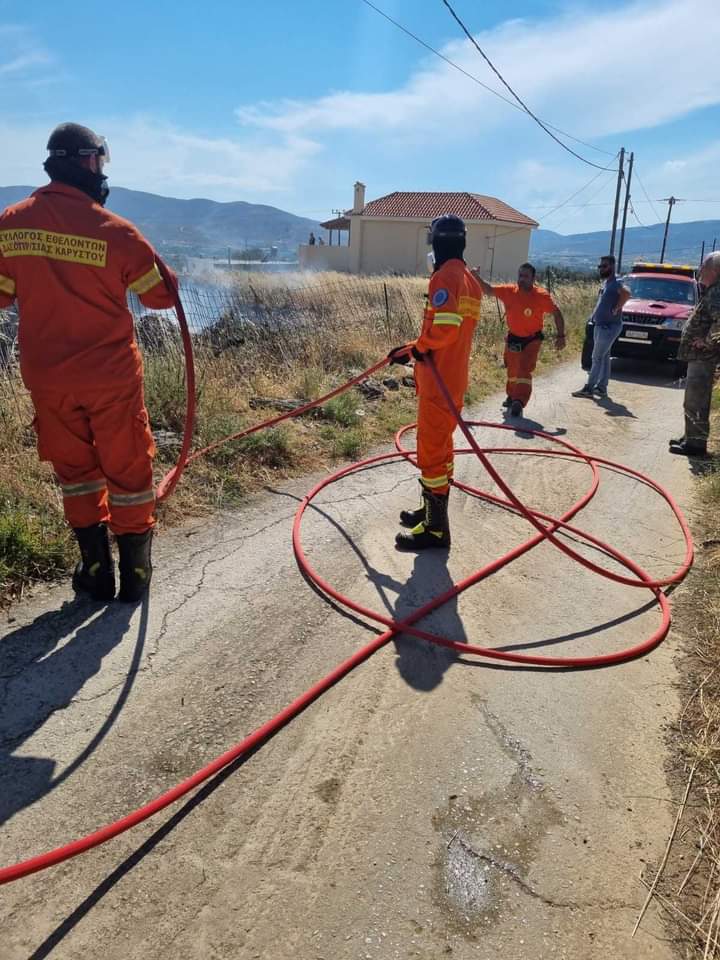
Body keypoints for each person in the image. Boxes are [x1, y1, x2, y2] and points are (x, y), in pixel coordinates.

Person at [0, 122, 177, 603]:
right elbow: (161, 298)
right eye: (101, 161)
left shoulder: (10, 224)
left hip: (48, 379)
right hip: (110, 379)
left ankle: (95, 569)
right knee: (129, 473)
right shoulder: (116, 232)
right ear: (88, 162)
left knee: (76, 473)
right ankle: (136, 574)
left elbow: (2, 295)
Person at [387, 214, 483, 550]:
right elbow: (449, 329)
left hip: (438, 381)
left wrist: (416, 349)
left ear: (436, 243)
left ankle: (436, 530)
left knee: (430, 453)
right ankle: (431, 511)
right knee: (441, 449)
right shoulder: (469, 279)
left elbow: (443, 330)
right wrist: (414, 349)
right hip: (452, 378)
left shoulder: (444, 277)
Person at [472, 262, 566, 415]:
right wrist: (475, 276)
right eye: (520, 275)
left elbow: (557, 313)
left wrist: (561, 336)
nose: (521, 279)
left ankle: (519, 401)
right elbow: (488, 290)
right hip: (513, 338)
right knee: (512, 370)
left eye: (526, 276)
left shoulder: (541, 296)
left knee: (524, 369)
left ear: (533, 278)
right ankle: (511, 395)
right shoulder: (509, 291)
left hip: (532, 339)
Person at [669, 251, 720, 458]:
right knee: (692, 398)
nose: (700, 272)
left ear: (715, 271)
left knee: (696, 399)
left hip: (703, 357)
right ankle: (690, 436)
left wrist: (706, 342)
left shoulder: (717, 292)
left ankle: (696, 444)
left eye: (704, 268)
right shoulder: (712, 290)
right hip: (699, 356)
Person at [572, 254, 630, 399]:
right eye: (600, 266)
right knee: (604, 357)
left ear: (612, 266)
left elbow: (627, 293)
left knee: (596, 357)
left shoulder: (617, 282)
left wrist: (617, 308)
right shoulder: (607, 282)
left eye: (604, 266)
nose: (601, 269)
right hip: (601, 325)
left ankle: (589, 388)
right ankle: (602, 388)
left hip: (608, 327)